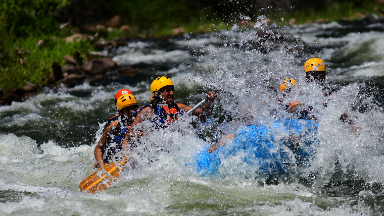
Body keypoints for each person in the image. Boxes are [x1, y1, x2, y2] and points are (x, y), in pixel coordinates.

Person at [132, 76, 217, 129]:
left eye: (172, 90)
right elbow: (130, 135)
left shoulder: (179, 107)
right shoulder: (148, 111)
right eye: (168, 91)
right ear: (157, 94)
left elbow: (204, 113)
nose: (172, 93)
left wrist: (210, 102)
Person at [93, 93, 139, 168]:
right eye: (128, 108)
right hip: (113, 162)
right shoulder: (114, 126)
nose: (131, 111)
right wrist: (102, 166)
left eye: (133, 107)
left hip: (132, 162)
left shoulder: (141, 123)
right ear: (121, 111)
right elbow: (98, 148)